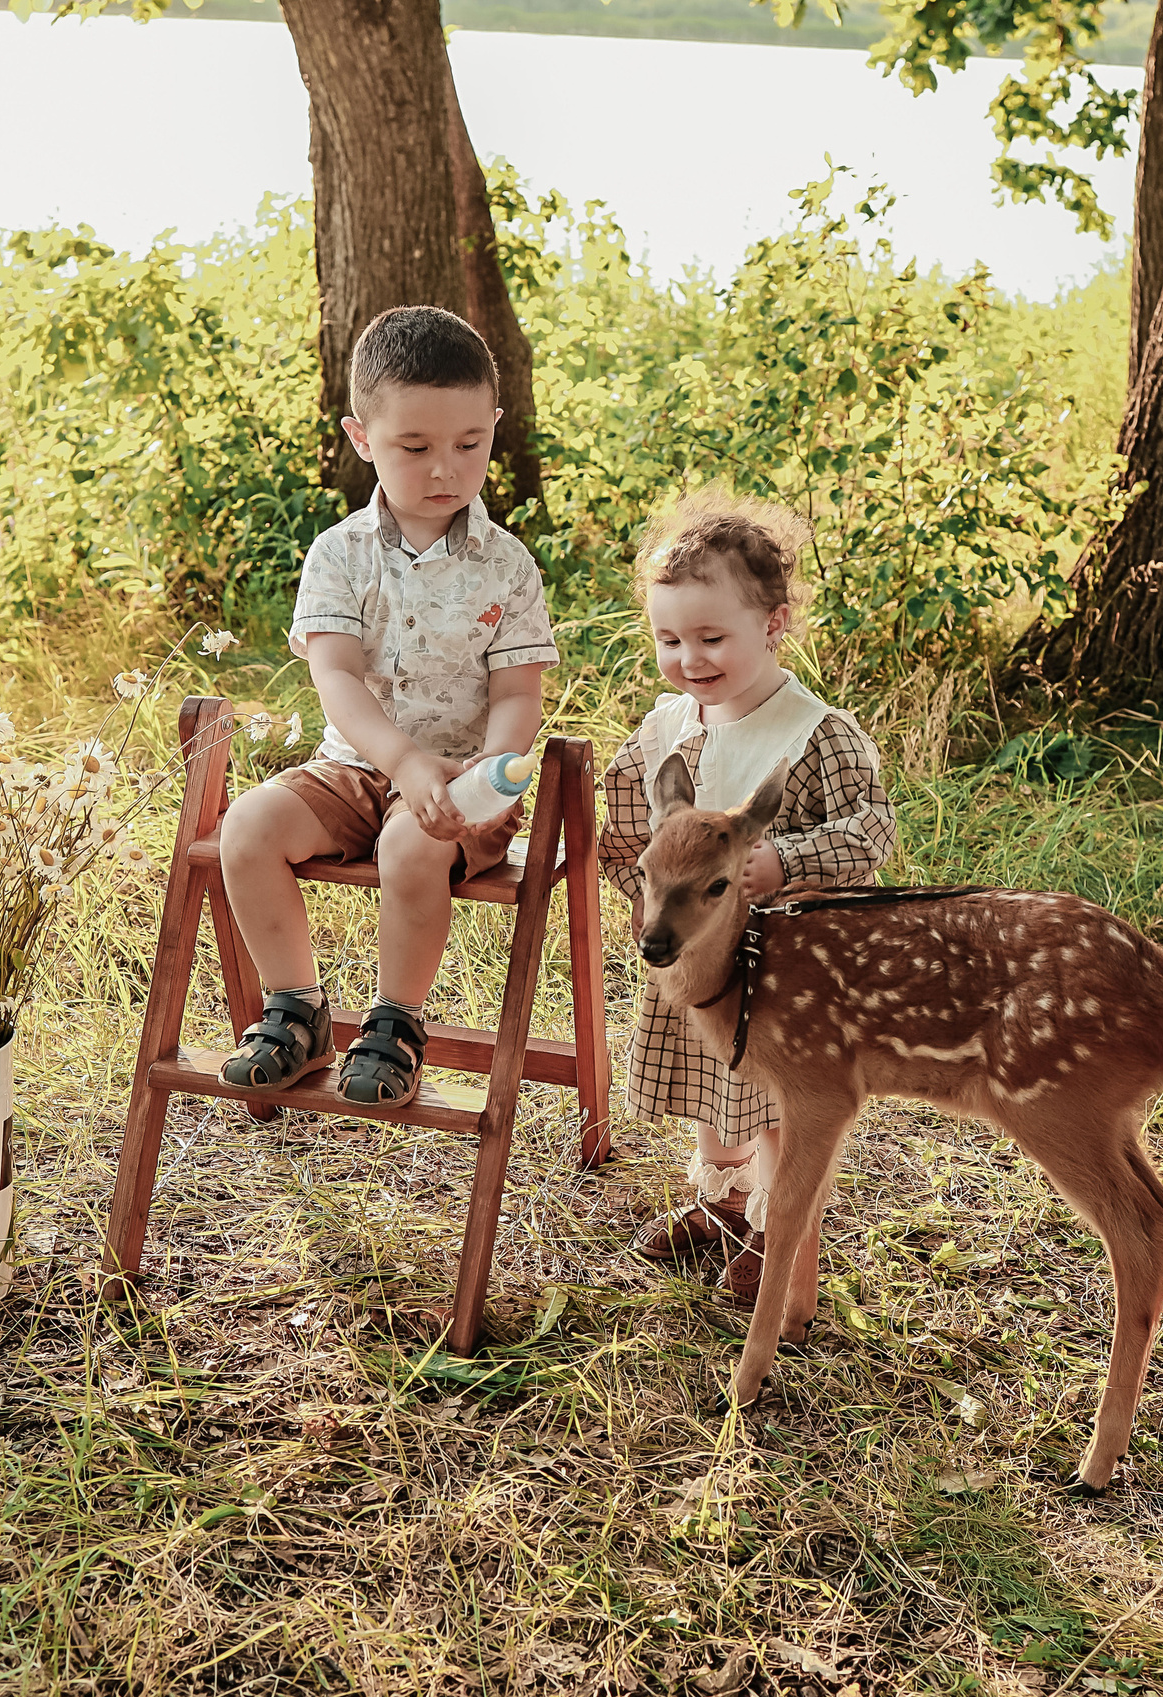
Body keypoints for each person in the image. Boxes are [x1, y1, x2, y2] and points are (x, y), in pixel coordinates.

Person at [212, 306, 557, 1107]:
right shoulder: (340, 552)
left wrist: (493, 774)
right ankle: (295, 1007)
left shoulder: (506, 566)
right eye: (415, 447)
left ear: (494, 428)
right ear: (363, 437)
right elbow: (335, 677)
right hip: (354, 766)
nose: (446, 468)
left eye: (469, 444)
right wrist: (397, 758)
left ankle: (397, 1023)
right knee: (247, 826)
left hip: (457, 786)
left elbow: (517, 690)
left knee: (409, 849)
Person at [598, 490, 896, 1300]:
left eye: (711, 637)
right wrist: (647, 897)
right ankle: (721, 1200)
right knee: (708, 1087)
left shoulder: (814, 731)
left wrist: (787, 860)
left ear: (774, 621)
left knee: (771, 1103)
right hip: (695, 962)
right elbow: (625, 829)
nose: (690, 658)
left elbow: (872, 831)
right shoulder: (666, 730)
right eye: (669, 638)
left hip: (781, 972)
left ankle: (777, 1226)